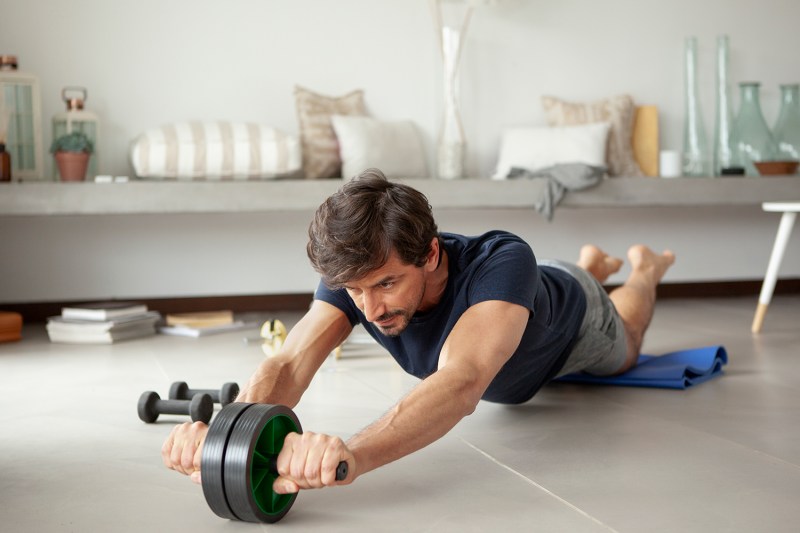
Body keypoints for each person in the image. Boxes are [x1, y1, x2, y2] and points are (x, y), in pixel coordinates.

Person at [162, 168, 675, 494]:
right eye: (356, 291)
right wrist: (229, 434)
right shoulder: (358, 273)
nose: (371, 307)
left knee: (627, 343)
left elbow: (462, 381)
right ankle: (593, 260)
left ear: (430, 253)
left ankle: (641, 269)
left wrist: (352, 455)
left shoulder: (501, 260)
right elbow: (291, 360)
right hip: (524, 320)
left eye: (386, 284)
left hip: (574, 319)